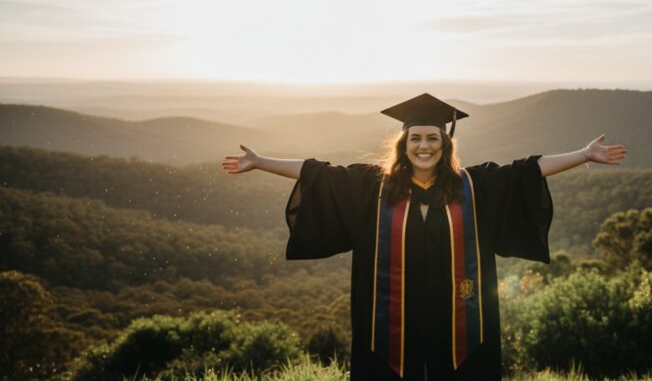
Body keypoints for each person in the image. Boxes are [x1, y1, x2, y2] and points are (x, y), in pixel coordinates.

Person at [221, 93, 627, 380]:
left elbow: (528, 170)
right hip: (390, 322)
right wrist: (260, 162)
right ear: (404, 144)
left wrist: (583, 155)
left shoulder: (474, 186)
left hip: (460, 320)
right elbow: (318, 175)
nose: (424, 145)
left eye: (433, 138)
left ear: (445, 143)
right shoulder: (373, 188)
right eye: (415, 138)